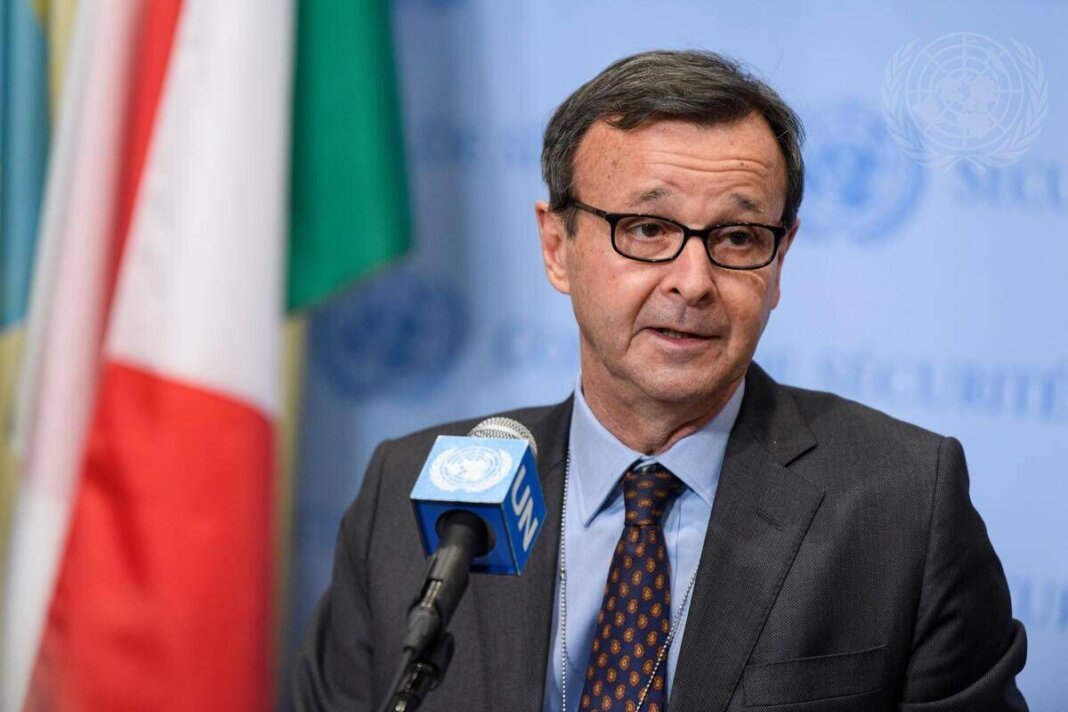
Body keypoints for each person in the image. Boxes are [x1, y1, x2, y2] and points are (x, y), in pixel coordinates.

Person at [295, 50, 1027, 712]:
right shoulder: (409, 495)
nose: (693, 282)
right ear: (556, 246)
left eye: (737, 237)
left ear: (780, 261)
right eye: (647, 229)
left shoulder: (901, 505)